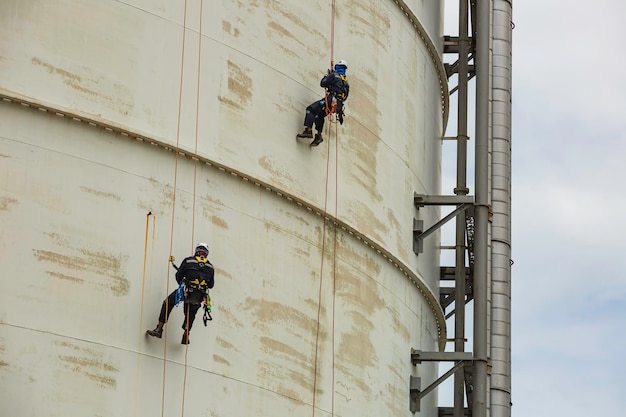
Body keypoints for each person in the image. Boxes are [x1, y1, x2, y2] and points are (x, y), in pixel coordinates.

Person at [146, 242, 215, 345]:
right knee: (191, 313)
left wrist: (184, 282)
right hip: (199, 296)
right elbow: (211, 285)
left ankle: (159, 329)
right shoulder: (211, 267)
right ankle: (186, 335)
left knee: (168, 302)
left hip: (186, 291)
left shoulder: (188, 260)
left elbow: (178, 275)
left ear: (196, 251)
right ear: (207, 253)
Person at [296, 59, 350, 147]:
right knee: (320, 115)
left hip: (330, 100)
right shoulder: (346, 82)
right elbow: (345, 96)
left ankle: (308, 130)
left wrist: (327, 76)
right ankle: (319, 135)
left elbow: (323, 83)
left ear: (338, 67)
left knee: (311, 109)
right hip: (338, 106)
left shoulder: (334, 75)